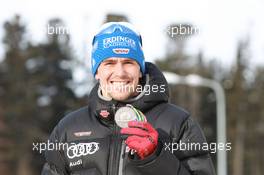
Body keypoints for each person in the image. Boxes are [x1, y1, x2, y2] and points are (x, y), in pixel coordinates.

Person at [41, 22, 216, 175]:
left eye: (128, 63)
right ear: (97, 71)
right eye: (109, 63)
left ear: (140, 70)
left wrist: (155, 157)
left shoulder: (178, 124)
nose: (120, 72)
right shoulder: (67, 129)